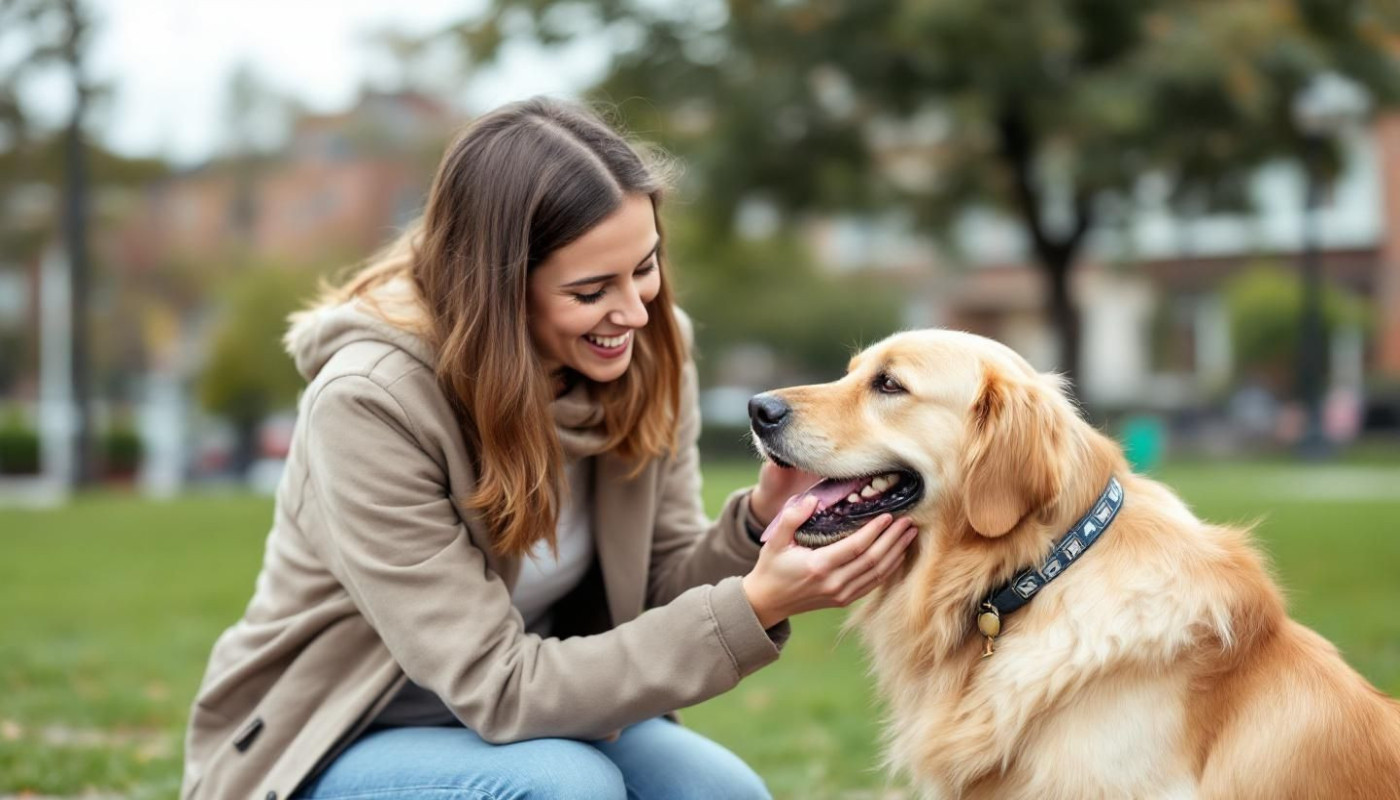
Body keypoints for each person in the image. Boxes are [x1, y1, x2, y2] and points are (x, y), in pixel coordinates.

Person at [180, 97, 917, 800]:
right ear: (497, 288)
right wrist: (755, 605)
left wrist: (759, 523)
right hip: (336, 738)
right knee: (565, 787)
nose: (634, 312)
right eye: (591, 291)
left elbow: (657, 591)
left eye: (644, 267)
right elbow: (500, 686)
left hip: (542, 715)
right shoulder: (370, 402)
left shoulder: (650, 349)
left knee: (720, 793)